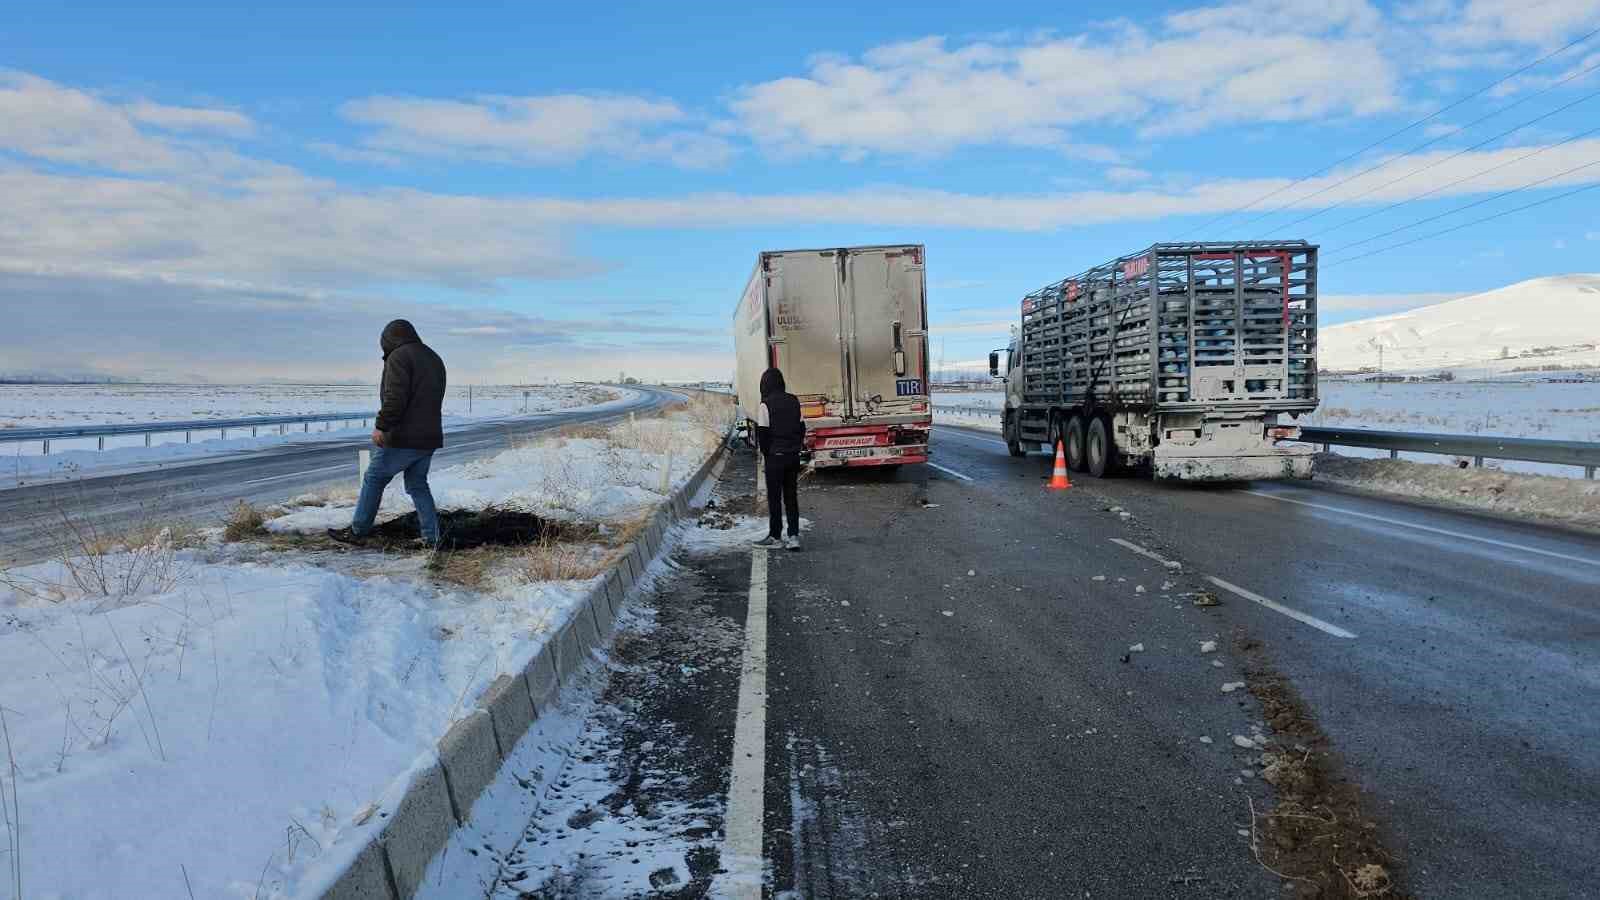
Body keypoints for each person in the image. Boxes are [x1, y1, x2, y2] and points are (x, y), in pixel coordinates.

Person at [329, 319, 448, 548]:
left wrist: (382, 426)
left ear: (389, 340)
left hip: (405, 436)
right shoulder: (433, 357)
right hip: (429, 436)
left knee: (374, 477)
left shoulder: (399, 357)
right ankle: (432, 537)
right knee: (417, 484)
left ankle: (358, 531)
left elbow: (396, 397)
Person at [753, 366, 804, 551]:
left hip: (775, 457)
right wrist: (795, 447)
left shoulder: (765, 404)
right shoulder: (794, 401)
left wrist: (767, 455)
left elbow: (763, 434)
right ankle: (793, 536)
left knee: (775, 498)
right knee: (791, 497)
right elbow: (801, 427)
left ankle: (775, 536)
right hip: (792, 457)